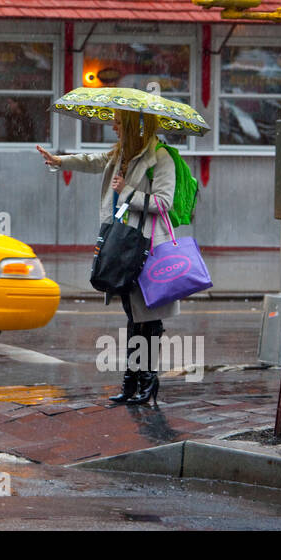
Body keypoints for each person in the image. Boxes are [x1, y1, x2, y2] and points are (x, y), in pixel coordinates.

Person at [37, 110, 177, 406]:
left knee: (148, 319)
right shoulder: (122, 153)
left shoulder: (160, 156)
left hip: (147, 247)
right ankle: (131, 382)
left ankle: (147, 382)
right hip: (122, 244)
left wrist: (126, 192)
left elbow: (164, 202)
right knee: (132, 316)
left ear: (131, 125)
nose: (112, 127)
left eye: (117, 122)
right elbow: (93, 161)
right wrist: (60, 161)